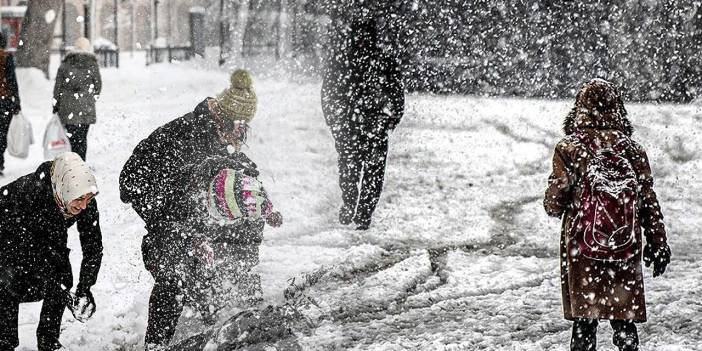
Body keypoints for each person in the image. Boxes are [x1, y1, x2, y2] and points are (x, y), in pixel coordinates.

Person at [118, 69, 265, 349]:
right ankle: (155, 345)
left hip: (185, 210)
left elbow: (211, 180)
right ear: (224, 116)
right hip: (157, 204)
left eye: (245, 125)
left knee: (235, 231)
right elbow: (136, 181)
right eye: (239, 124)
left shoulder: (217, 134)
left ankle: (216, 309)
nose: (242, 132)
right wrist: (171, 222)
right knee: (175, 273)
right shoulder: (188, 134)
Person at [544, 79, 670, 351]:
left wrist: (554, 202)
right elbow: (648, 200)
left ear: (579, 109)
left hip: (583, 247)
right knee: (624, 321)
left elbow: (556, 200)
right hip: (624, 246)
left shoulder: (569, 148)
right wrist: (658, 243)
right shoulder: (633, 150)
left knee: (584, 323)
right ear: (618, 109)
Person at [0, 152, 103, 351]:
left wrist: (85, 287)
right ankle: (5, 341)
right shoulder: (30, 194)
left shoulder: (82, 196)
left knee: (62, 277)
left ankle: (48, 340)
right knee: (8, 282)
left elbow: (93, 246)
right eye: (80, 199)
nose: (83, 205)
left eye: (88, 199)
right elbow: (41, 250)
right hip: (9, 234)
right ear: (64, 190)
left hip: (39, 236)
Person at [321, 16, 404, 230]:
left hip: (356, 124)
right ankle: (359, 211)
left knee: (352, 168)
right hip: (368, 124)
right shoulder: (380, 61)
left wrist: (335, 119)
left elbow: (328, 94)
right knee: (368, 172)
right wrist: (390, 119)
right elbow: (396, 95)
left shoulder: (343, 61)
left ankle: (356, 208)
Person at [52, 37, 102, 160]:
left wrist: (56, 104)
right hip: (86, 107)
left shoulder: (65, 63)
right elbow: (98, 85)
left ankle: (72, 162)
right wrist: (90, 98)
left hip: (68, 106)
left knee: (71, 138)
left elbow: (58, 86)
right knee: (82, 138)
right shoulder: (92, 64)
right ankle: (81, 162)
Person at [0, 32, 21, 175]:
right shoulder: (6, 57)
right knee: (2, 134)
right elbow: (12, 81)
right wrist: (17, 101)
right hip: (4, 100)